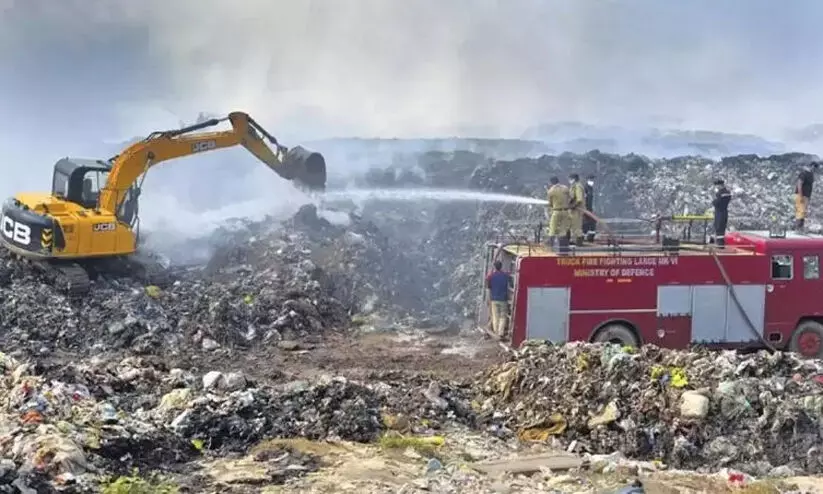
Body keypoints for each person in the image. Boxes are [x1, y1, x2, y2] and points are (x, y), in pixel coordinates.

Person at [485, 260, 511, 338]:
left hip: (494, 299)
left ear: (495, 267)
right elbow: (509, 277)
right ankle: (501, 333)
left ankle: (496, 332)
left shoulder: (491, 276)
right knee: (503, 316)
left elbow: (488, 285)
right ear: (501, 266)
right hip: (503, 299)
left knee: (495, 316)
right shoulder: (505, 275)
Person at [545, 177, 571, 250]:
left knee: (552, 228)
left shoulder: (551, 191)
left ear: (551, 183)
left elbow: (550, 203)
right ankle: (563, 248)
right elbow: (570, 198)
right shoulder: (565, 188)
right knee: (563, 230)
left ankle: (551, 247)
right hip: (565, 212)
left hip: (556, 212)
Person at [795, 162, 819, 231]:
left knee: (803, 212)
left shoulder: (811, 175)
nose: (815, 170)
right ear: (811, 166)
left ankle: (801, 227)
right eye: (814, 168)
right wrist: (801, 195)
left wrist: (808, 197)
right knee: (800, 211)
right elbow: (799, 184)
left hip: (806, 196)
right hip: (801, 195)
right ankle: (798, 228)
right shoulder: (804, 173)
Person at [711, 179, 732, 246]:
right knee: (721, 226)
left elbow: (718, 202)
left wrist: (713, 201)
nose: (716, 187)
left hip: (720, 212)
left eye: (717, 185)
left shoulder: (720, 193)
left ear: (720, 185)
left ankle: (719, 243)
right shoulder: (727, 192)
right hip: (724, 211)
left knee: (719, 226)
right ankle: (719, 242)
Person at [568, 173, 586, 246]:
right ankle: (573, 240)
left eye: (570, 179)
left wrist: (574, 205)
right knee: (572, 225)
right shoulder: (573, 186)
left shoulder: (578, 186)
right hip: (573, 210)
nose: (569, 180)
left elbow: (579, 199)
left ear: (574, 179)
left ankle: (579, 243)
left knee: (577, 226)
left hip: (577, 210)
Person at [582, 174, 596, 242]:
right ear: (587, 180)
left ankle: (590, 238)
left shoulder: (591, 188)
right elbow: (583, 199)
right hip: (585, 209)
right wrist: (584, 209)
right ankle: (583, 238)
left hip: (589, 209)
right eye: (590, 179)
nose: (592, 181)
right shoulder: (585, 188)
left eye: (592, 179)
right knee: (586, 223)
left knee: (592, 223)